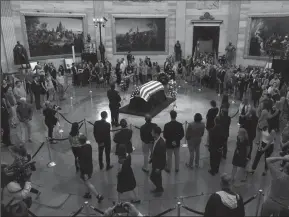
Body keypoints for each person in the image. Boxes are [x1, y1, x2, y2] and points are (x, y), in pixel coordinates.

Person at [77, 135, 104, 202]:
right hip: (90, 167)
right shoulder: (89, 146)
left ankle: (98, 196)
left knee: (88, 183)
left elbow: (81, 162)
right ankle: (87, 193)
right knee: (86, 182)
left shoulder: (80, 150)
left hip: (84, 170)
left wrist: (83, 172)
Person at [150, 126, 166, 194]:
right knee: (157, 177)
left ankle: (159, 188)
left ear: (156, 133)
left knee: (154, 177)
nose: (151, 132)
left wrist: (159, 168)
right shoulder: (156, 140)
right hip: (155, 162)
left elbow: (162, 157)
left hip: (158, 165)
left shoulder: (161, 143)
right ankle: (159, 188)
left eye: (152, 132)